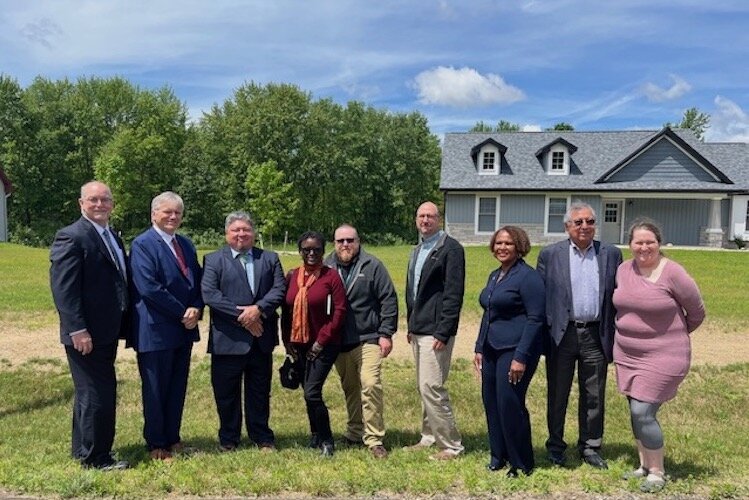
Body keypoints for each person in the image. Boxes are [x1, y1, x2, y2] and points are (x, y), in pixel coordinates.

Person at [613, 219, 705, 492]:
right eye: (638, 242)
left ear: (659, 243)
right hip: (628, 354)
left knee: (643, 411)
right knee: (634, 410)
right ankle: (643, 464)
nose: (644, 247)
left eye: (649, 242)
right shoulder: (622, 270)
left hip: (665, 356)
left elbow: (697, 312)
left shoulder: (673, 272)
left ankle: (657, 472)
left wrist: (671, 337)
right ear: (630, 245)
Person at [49, 181, 130, 470]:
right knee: (98, 392)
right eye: (93, 200)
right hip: (86, 334)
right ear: (81, 203)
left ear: (112, 204)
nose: (100, 205)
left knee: (91, 391)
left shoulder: (112, 237)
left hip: (107, 330)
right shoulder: (71, 237)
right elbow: (64, 290)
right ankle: (96, 458)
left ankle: (83, 449)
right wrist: (77, 329)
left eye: (105, 200)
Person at [536, 201, 622, 469]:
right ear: (567, 227)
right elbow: (540, 297)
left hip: (596, 333)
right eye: (579, 222)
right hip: (561, 335)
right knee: (558, 392)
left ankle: (590, 446)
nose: (585, 227)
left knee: (594, 393)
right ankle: (556, 445)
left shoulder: (611, 254)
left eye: (590, 222)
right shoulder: (550, 255)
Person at [201, 211, 286, 452]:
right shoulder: (213, 260)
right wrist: (244, 317)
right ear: (227, 234)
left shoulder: (269, 258)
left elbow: (279, 289)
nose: (241, 234)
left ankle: (262, 436)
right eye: (235, 230)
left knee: (259, 391)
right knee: (226, 393)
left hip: (261, 339)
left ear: (254, 233)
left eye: (246, 230)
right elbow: (210, 295)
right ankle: (229, 438)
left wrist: (258, 310)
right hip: (228, 339)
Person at [128, 191, 203, 461]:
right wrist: (183, 311)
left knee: (176, 387)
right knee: (156, 388)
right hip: (155, 330)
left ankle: (173, 437)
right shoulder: (142, 245)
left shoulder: (186, 244)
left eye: (177, 213)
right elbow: (149, 287)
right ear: (153, 214)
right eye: (167, 212)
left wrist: (196, 307)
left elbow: (198, 280)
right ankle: (156, 443)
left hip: (183, 330)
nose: (173, 217)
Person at [474, 226, 545, 477]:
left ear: (519, 247)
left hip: (515, 351)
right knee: (491, 403)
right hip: (492, 349)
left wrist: (521, 357)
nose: (502, 248)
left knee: (509, 403)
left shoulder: (528, 277)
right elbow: (488, 314)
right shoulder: (495, 275)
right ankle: (498, 455)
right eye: (499, 243)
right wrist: (479, 348)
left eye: (509, 244)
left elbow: (536, 319)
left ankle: (521, 462)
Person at [324, 224, 398, 459]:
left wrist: (385, 333)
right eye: (340, 241)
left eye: (350, 240)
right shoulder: (326, 266)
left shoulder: (372, 265)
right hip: (338, 341)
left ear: (358, 241)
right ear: (334, 243)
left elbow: (388, 298)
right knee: (351, 388)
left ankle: (374, 439)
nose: (345, 245)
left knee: (369, 382)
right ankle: (355, 432)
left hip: (368, 338)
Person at [404, 201, 465, 461]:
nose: (425, 220)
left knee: (432, 385)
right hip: (419, 329)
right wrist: (411, 324)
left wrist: (444, 331)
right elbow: (414, 292)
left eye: (430, 216)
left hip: (436, 332)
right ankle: (429, 436)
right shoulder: (419, 249)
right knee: (423, 386)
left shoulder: (450, 249)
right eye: (421, 216)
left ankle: (451, 445)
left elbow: (453, 294)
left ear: (439, 219)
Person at [281, 231, 346, 457]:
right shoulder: (292, 276)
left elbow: (339, 312)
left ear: (323, 251)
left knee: (312, 392)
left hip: (324, 344)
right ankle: (315, 435)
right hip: (298, 344)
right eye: (306, 249)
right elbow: (286, 311)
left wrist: (321, 341)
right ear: (300, 251)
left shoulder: (331, 277)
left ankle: (327, 440)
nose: (311, 254)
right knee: (306, 391)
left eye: (316, 250)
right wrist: (286, 340)